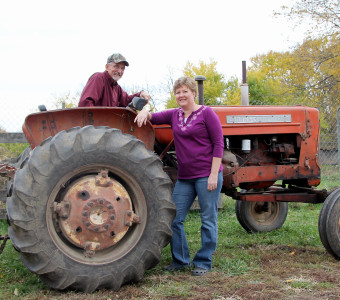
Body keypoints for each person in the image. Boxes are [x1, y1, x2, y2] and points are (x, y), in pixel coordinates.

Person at [134, 76, 224, 276]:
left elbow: (219, 144)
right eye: (178, 92)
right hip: (185, 178)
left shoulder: (206, 113)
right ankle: (181, 260)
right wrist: (145, 109)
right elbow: (152, 118)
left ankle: (203, 261)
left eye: (185, 91)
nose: (181, 95)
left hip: (206, 175)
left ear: (194, 93)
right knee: (174, 217)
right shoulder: (175, 115)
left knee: (208, 219)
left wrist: (213, 175)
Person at [78, 53, 150, 107]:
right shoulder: (98, 78)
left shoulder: (117, 88)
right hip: (95, 126)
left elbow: (127, 100)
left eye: (122, 68)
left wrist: (140, 94)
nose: (119, 71)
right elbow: (85, 104)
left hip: (109, 126)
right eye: (116, 66)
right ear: (107, 67)